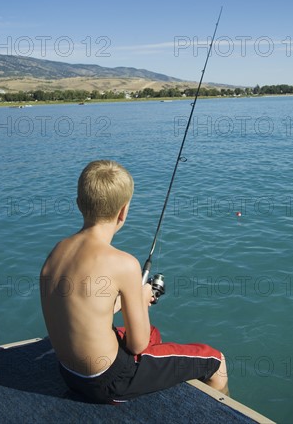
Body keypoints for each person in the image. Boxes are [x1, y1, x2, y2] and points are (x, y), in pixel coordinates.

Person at [40, 160, 228, 404]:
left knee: (153, 334)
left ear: (79, 204)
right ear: (123, 211)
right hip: (109, 382)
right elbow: (137, 345)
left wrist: (128, 301)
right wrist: (139, 299)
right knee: (215, 361)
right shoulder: (124, 263)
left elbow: (83, 305)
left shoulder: (57, 252)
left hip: (69, 374)